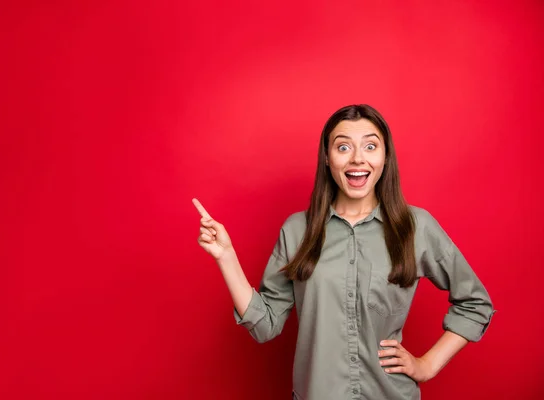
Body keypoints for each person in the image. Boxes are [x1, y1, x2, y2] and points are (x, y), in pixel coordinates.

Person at [192, 104, 495, 400]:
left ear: (386, 157)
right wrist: (226, 256)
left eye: (371, 146)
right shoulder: (298, 230)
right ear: (327, 158)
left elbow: (475, 303)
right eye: (343, 147)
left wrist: (427, 365)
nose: (358, 159)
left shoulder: (417, 227)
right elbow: (265, 326)